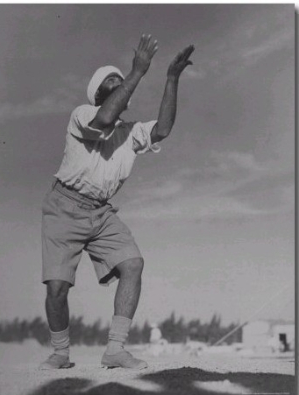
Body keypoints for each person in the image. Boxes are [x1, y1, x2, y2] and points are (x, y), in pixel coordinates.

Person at [39, 34, 194, 370]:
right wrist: (137, 72)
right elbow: (104, 120)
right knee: (57, 287)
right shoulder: (83, 114)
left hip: (100, 212)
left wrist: (171, 78)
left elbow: (163, 129)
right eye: (113, 81)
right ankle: (60, 353)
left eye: (121, 80)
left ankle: (115, 349)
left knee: (133, 264)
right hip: (63, 206)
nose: (121, 83)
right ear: (99, 94)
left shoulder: (131, 132)